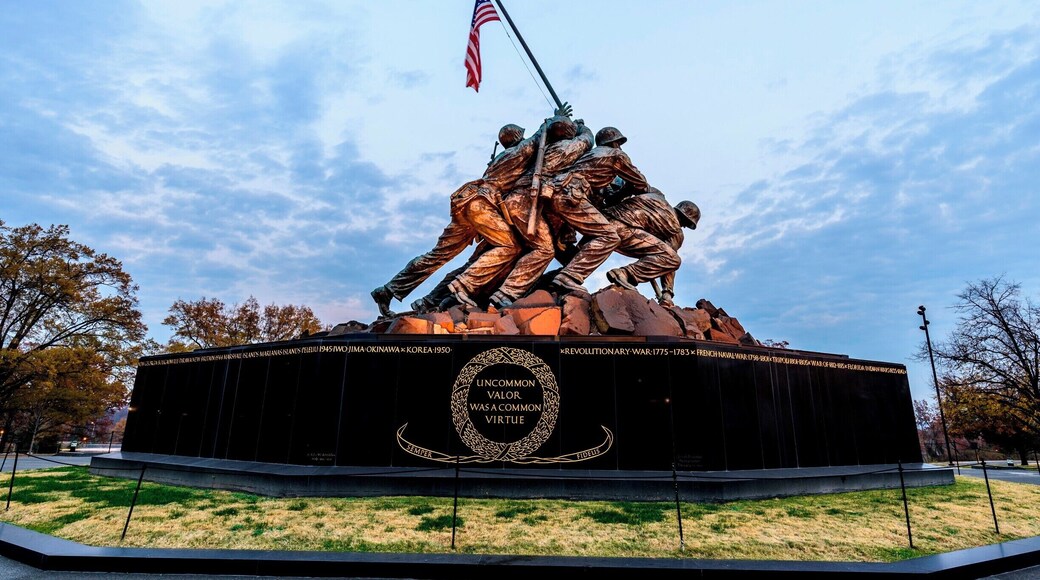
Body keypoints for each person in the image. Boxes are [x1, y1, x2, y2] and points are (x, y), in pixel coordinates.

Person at [369, 123, 542, 317]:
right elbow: (538, 138)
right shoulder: (517, 152)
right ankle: (462, 285)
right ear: (517, 136)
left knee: (437, 255)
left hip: (467, 204)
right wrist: (557, 119)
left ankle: (389, 289)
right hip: (481, 206)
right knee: (511, 247)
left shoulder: (499, 159)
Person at [488, 125, 650, 306]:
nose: (620, 147)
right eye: (619, 143)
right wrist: (624, 193)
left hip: (553, 194)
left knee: (559, 249)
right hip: (569, 195)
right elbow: (641, 184)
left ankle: (526, 288)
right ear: (615, 143)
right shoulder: (616, 156)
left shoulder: (591, 155)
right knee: (609, 236)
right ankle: (569, 277)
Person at [597, 185, 700, 306]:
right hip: (624, 232)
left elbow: (636, 184)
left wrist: (614, 197)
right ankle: (625, 273)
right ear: (686, 220)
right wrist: (667, 293)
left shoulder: (658, 196)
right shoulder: (676, 231)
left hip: (604, 219)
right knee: (672, 259)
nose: (684, 227)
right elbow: (668, 262)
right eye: (687, 224)